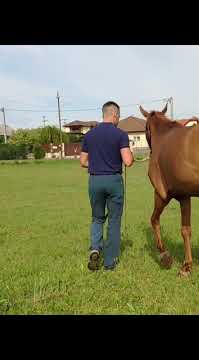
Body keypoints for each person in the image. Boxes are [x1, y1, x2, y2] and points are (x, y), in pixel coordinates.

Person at [80, 101, 134, 271]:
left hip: (95, 181)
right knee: (114, 220)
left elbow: (82, 162)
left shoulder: (89, 135)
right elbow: (128, 161)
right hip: (113, 181)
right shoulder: (120, 135)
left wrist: (97, 166)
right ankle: (110, 262)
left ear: (104, 114)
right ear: (115, 115)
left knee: (97, 218)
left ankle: (95, 248)